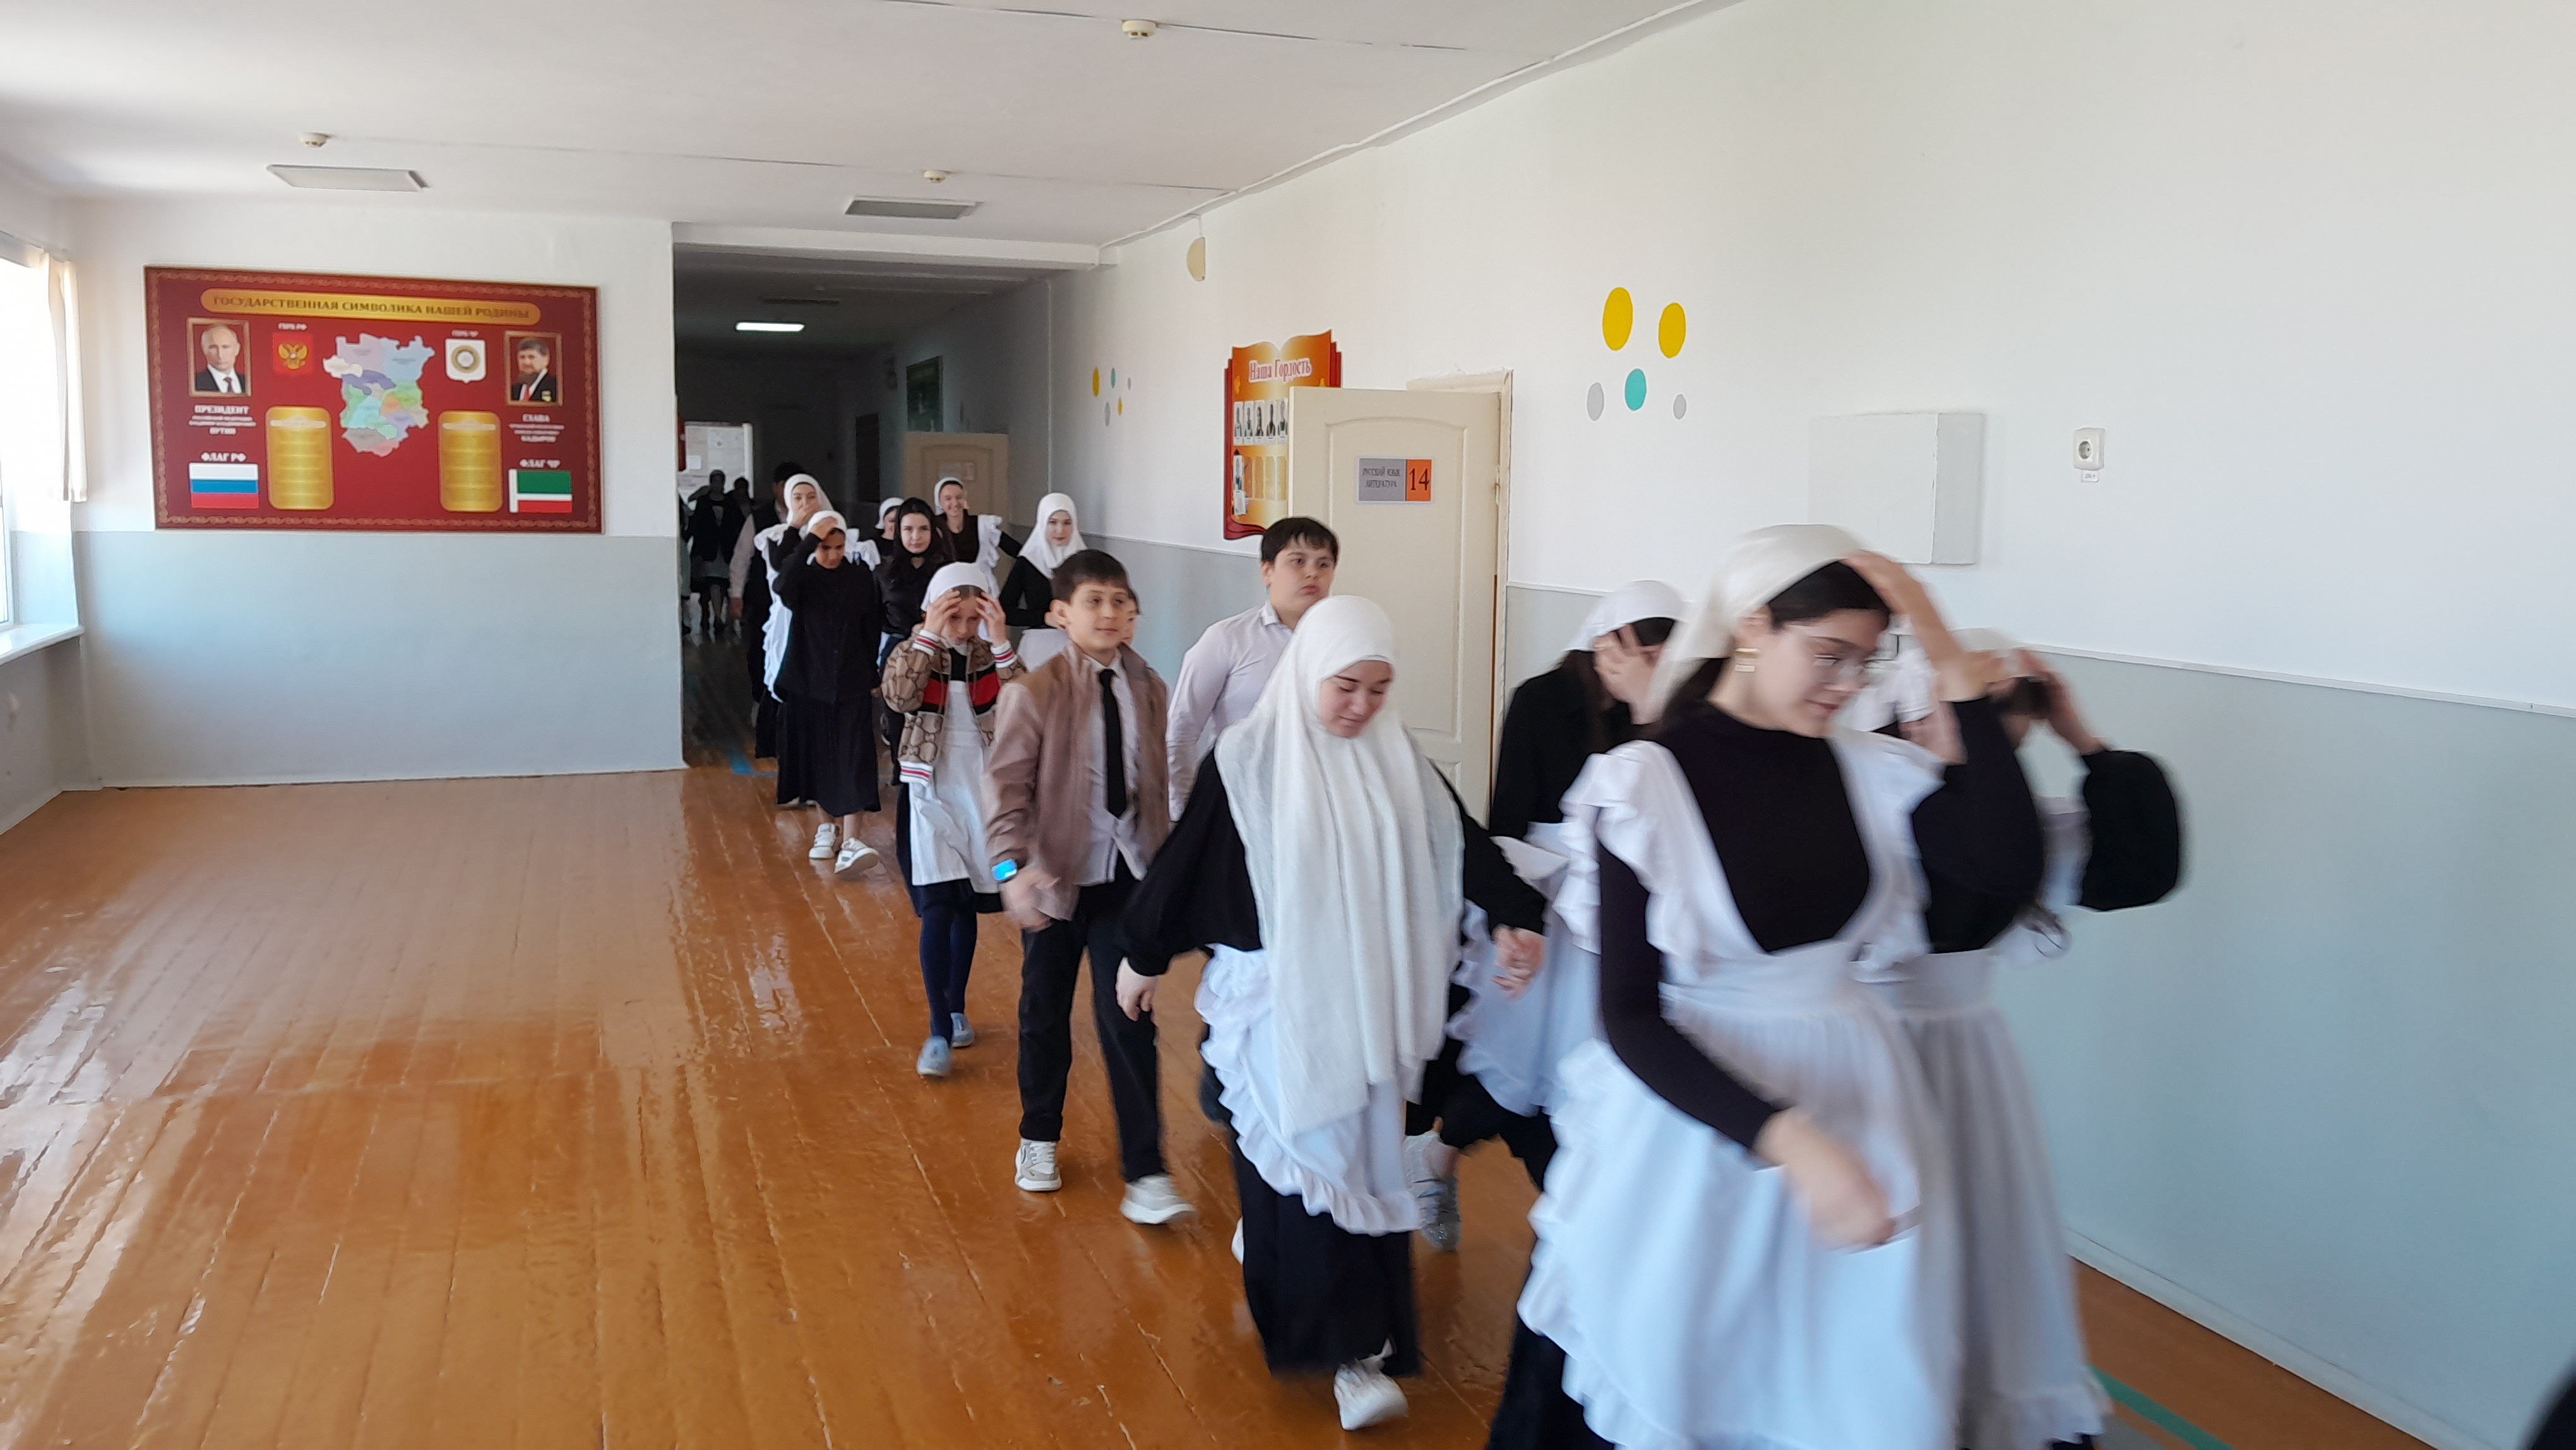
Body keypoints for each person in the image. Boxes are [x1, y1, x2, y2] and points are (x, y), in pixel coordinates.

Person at [1492, 524, 2044, 1450]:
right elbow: (1630, 1016)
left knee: (1831, 1384)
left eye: (1867, 661)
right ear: (1752, 626)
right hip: (1697, 1119)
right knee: (1666, 1367)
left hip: (1858, 1098)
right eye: (1828, 655)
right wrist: (1789, 1140)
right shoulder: (1646, 783)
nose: (1848, 684)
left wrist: (1950, 663)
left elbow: (2005, 863)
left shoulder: (1869, 770)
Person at [1123, 596, 1547, 1432]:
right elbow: (1186, 864)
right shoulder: (1248, 760)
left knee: (1359, 1166)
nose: (1362, 706)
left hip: (1370, 999)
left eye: (1379, 690)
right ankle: (1349, 1351)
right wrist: (1142, 956)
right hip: (1278, 1001)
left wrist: (1515, 917)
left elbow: (1462, 846)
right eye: (1345, 686)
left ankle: (1358, 1338)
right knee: (1307, 1152)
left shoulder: (1400, 763)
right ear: (1309, 673)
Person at [1864, 634, 2181, 1450]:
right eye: (1980, 704)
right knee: (1889, 1241)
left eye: (2013, 709)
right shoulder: (1864, 806)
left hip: (1970, 1059)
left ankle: (1968, 1404)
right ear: (1914, 713)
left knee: (1980, 1236)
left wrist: (2083, 739)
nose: (2001, 724)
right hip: (1866, 1054)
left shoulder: (2015, 828)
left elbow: (2141, 869)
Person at [1403, 582, 1685, 1252]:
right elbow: (1508, 819)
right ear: (1608, 647)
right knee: (1520, 1063)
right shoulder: (1541, 699)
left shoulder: (1661, 717)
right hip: (1549, 902)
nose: (1655, 673)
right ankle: (1449, 1162)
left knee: (1576, 1069)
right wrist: (1514, 916)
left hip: (1623, 911)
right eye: (1647, 657)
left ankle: (1451, 1162)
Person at [981, 549, 1190, 1227]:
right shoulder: (1034, 691)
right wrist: (1011, 873)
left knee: (1129, 1016)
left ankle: (1146, 1169)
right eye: (1093, 601)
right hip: (1055, 882)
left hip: (1127, 880)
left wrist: (1169, 875)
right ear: (1059, 614)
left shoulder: (1150, 687)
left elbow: (1160, 785)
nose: (1109, 613)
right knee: (1044, 1013)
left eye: (1120, 602)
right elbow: (1005, 791)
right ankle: (1039, 1134)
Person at [883, 563, 1023, 1079]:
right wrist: (928, 636)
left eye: (972, 619)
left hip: (982, 794)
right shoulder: (913, 650)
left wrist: (1001, 641)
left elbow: (1026, 704)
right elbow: (899, 696)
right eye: (954, 618)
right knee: (938, 905)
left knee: (967, 904)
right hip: (932, 791)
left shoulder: (991, 656)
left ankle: (957, 1007)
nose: (963, 629)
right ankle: (938, 1028)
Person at [1164, 515, 1338, 817]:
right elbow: (1181, 730)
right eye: (1298, 562)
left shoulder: (1339, 641)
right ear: (1268, 572)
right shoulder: (1227, 639)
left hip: (1317, 800)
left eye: (1324, 564)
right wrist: (1185, 811)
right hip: (1238, 798)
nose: (1313, 573)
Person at [770, 511, 887, 880]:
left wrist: (873, 672)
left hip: (852, 679)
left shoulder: (860, 578)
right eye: (825, 548)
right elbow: (782, 584)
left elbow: (871, 626)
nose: (833, 555)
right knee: (820, 754)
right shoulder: (803, 579)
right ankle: (827, 826)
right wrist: (807, 541)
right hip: (810, 681)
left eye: (839, 547)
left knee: (854, 755)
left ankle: (852, 838)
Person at [748, 476, 827, 776]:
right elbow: (783, 570)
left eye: (811, 497)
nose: (806, 504)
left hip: (821, 622)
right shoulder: (776, 536)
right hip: (787, 621)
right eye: (798, 498)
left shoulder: (833, 532)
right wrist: (797, 529)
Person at [998, 492, 1083, 669]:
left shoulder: (1085, 563)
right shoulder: (1027, 562)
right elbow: (1005, 611)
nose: (1060, 530)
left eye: (1067, 523)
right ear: (1043, 523)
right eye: (1053, 522)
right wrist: (1044, 617)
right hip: (1038, 649)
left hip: (1078, 646)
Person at [874, 498, 951, 662]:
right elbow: (872, 621)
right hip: (895, 654)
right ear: (899, 531)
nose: (916, 537)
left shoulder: (947, 570)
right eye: (908, 529)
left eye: (924, 529)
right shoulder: (883, 571)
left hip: (940, 651)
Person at [931, 477, 1021, 573]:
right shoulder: (933, 528)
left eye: (959, 497)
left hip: (980, 581)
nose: (955, 503)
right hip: (946, 581)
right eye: (948, 499)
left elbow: (1017, 551)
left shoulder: (983, 525)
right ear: (939, 502)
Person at [193, 323, 248, 395]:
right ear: (204, 349)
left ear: (237, 349)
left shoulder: (249, 382)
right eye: (213, 347)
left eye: (225, 347)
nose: (220, 355)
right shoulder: (194, 382)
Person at [852, 497, 903, 570]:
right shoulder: (870, 545)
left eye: (900, 521)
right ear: (883, 521)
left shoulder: (910, 543)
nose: (896, 525)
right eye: (892, 521)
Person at [510, 336, 558, 404]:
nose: (526, 362)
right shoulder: (513, 390)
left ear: (546, 360)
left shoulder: (556, 387)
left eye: (531, 357)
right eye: (522, 357)